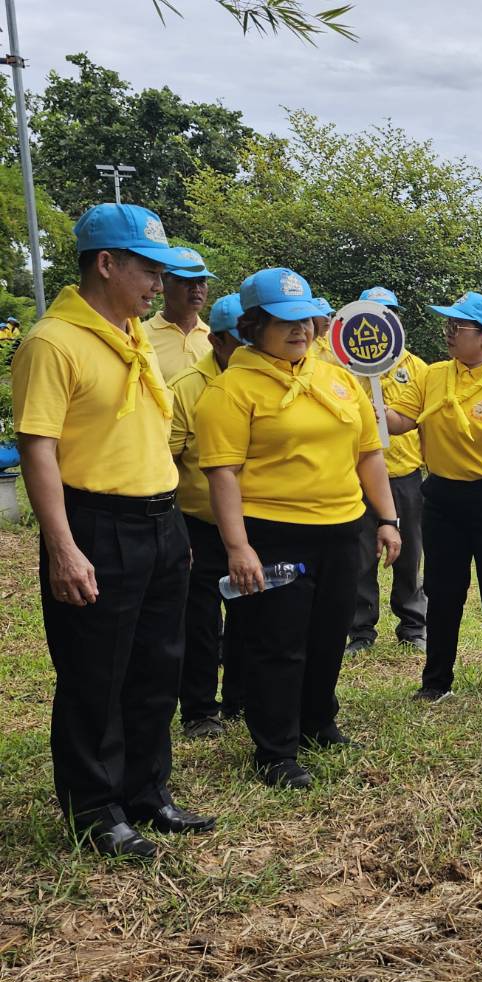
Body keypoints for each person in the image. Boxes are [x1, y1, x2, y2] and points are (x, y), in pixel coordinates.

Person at [13, 203, 214, 857]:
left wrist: (174, 532)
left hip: (160, 521)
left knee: (159, 666)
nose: (159, 285)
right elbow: (38, 447)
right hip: (95, 524)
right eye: (149, 271)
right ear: (106, 263)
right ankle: (95, 807)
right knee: (95, 673)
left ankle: (146, 791)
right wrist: (63, 547)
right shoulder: (52, 342)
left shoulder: (130, 336)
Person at [195, 268, 402, 789]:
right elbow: (223, 475)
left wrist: (388, 518)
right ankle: (275, 748)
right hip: (275, 532)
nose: (300, 330)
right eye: (284, 322)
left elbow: (369, 455)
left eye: (305, 319)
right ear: (253, 326)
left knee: (329, 634)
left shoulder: (335, 376)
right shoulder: (232, 390)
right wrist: (237, 547)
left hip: (341, 526)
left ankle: (317, 722)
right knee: (279, 642)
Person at [381, 292, 482, 698]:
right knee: (443, 589)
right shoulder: (433, 375)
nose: (448, 334)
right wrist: (372, 406)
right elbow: (401, 421)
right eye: (448, 326)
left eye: (457, 327)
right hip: (441, 499)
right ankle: (436, 681)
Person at [170, 292, 246, 738]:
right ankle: (199, 710)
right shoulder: (187, 388)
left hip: (255, 523)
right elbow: (167, 462)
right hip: (199, 524)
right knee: (199, 623)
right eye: (241, 340)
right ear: (216, 341)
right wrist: (177, 532)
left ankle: (240, 698)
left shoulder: (267, 381)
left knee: (251, 618)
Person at [347, 286, 431, 654]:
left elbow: (426, 423)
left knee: (410, 553)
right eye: (374, 315)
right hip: (357, 476)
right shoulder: (345, 367)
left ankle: (413, 625)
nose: (381, 323)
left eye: (388, 314)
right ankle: (361, 631)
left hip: (406, 475)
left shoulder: (417, 368)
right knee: (361, 554)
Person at [142, 248, 214, 383]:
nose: (196, 289)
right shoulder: (141, 337)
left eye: (201, 281)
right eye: (185, 280)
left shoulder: (213, 339)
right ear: (163, 282)